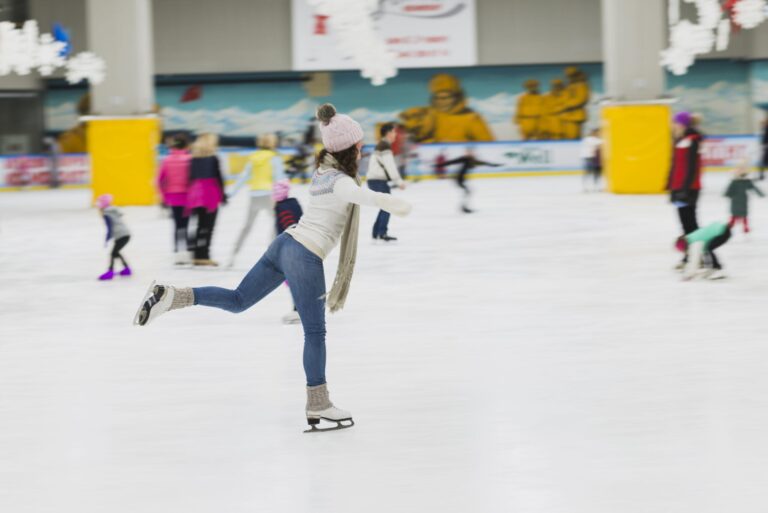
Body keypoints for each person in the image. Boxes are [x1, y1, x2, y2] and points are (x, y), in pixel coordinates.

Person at [134, 104, 412, 432]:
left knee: (239, 300)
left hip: (284, 245)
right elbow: (358, 194)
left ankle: (172, 296)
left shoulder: (323, 170)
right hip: (304, 254)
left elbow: (350, 190)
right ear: (349, 148)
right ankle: (319, 402)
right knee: (315, 332)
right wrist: (392, 202)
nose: (362, 147)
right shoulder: (339, 180)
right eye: (358, 143)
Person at [227, 134, 285, 267]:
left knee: (247, 226)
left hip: (255, 196)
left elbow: (243, 177)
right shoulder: (275, 158)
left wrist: (231, 193)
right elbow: (279, 178)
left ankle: (233, 255)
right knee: (277, 224)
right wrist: (283, 196)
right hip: (269, 196)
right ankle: (274, 256)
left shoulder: (253, 158)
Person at [667, 111, 703, 268]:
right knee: (685, 226)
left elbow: (692, 169)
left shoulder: (692, 141)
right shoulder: (678, 141)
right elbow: (675, 166)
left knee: (691, 226)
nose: (673, 125)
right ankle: (690, 256)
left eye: (675, 122)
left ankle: (701, 256)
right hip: (678, 188)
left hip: (689, 189)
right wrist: (670, 185)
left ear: (682, 124)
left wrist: (685, 189)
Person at [186, 133, 226, 266]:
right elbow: (218, 178)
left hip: (195, 194)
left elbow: (189, 177)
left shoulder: (193, 159)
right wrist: (223, 195)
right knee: (208, 227)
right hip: (210, 194)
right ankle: (205, 255)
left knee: (198, 225)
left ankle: (195, 253)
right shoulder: (213, 159)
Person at [272, 179, 305, 325]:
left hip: (290, 247)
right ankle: (300, 308)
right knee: (295, 279)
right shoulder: (294, 202)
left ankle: (299, 309)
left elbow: (288, 224)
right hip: (301, 243)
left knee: (293, 279)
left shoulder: (281, 207)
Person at [367, 123, 406, 242]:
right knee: (388, 206)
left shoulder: (381, 145)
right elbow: (390, 166)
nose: (396, 134)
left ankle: (377, 232)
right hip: (378, 181)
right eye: (394, 132)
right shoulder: (384, 147)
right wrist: (399, 181)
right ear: (388, 133)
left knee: (385, 206)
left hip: (374, 180)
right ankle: (381, 233)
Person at [157, 134, 192, 264]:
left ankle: (177, 252)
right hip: (187, 197)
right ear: (186, 145)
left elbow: (160, 180)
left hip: (173, 198)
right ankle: (188, 251)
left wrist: (164, 195)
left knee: (177, 226)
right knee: (187, 225)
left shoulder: (166, 160)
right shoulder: (189, 159)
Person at [440, 148, 501, 213]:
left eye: (471, 152)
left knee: (468, 192)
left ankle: (464, 207)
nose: (470, 153)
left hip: (461, 178)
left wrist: (494, 165)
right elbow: (452, 162)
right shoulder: (464, 159)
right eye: (468, 152)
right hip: (458, 178)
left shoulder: (473, 160)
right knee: (468, 192)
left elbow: (483, 163)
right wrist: (440, 165)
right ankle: (464, 208)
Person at [96, 194, 131, 281]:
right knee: (116, 252)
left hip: (121, 235)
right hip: (126, 234)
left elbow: (109, 227)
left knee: (113, 253)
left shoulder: (106, 213)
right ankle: (127, 269)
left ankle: (110, 271)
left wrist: (107, 238)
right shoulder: (113, 210)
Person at [724, 164, 764, 233]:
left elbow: (729, 190)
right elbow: (754, 188)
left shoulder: (735, 182)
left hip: (736, 199)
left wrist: (728, 195)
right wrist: (760, 194)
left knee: (736, 214)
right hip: (741, 199)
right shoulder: (742, 182)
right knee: (742, 214)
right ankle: (743, 226)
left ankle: (733, 225)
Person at [580, 128, 602, 192]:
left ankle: (595, 186)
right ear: (594, 133)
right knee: (589, 172)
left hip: (593, 158)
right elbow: (599, 143)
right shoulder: (589, 139)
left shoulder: (593, 139)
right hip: (589, 157)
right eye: (597, 132)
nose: (598, 134)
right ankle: (586, 187)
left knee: (596, 172)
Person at [759, 116, 768, 181]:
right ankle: (761, 175)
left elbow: (765, 137)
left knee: (763, 161)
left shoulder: (766, 128)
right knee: (763, 162)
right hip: (766, 147)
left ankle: (761, 175)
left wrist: (763, 143)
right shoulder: (765, 128)